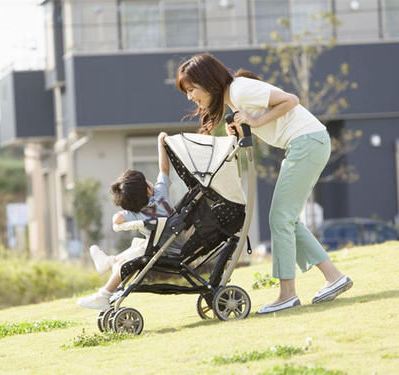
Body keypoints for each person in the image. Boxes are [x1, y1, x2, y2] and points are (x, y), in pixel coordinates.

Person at [176, 53, 352, 314]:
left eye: (192, 89)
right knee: (287, 218)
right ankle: (333, 277)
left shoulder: (240, 89)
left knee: (281, 218)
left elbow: (291, 101)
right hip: (306, 144)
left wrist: (255, 121)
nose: (190, 97)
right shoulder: (235, 98)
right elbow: (269, 122)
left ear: (208, 81)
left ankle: (287, 294)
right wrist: (242, 128)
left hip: (307, 143)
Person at [77, 132, 180, 309]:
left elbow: (117, 219)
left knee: (124, 263)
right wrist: (160, 143)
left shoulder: (136, 213)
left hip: (162, 250)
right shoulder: (160, 194)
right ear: (148, 190)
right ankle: (109, 263)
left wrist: (122, 214)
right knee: (135, 249)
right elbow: (164, 168)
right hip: (171, 245)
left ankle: (104, 293)